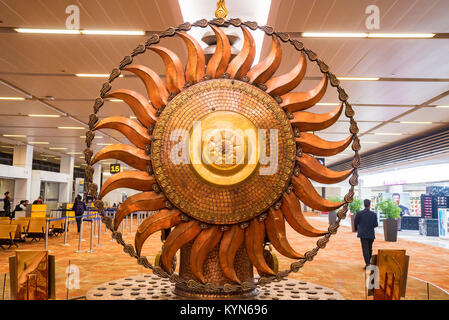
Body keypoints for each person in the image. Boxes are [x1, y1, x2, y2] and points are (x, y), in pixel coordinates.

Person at [354, 199, 378, 269]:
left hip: (363, 234)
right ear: (370, 205)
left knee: (365, 249)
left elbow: (355, 222)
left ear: (364, 205)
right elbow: (376, 224)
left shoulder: (359, 213)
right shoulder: (373, 214)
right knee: (370, 249)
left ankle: (368, 264)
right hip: (371, 234)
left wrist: (356, 229)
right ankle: (369, 263)